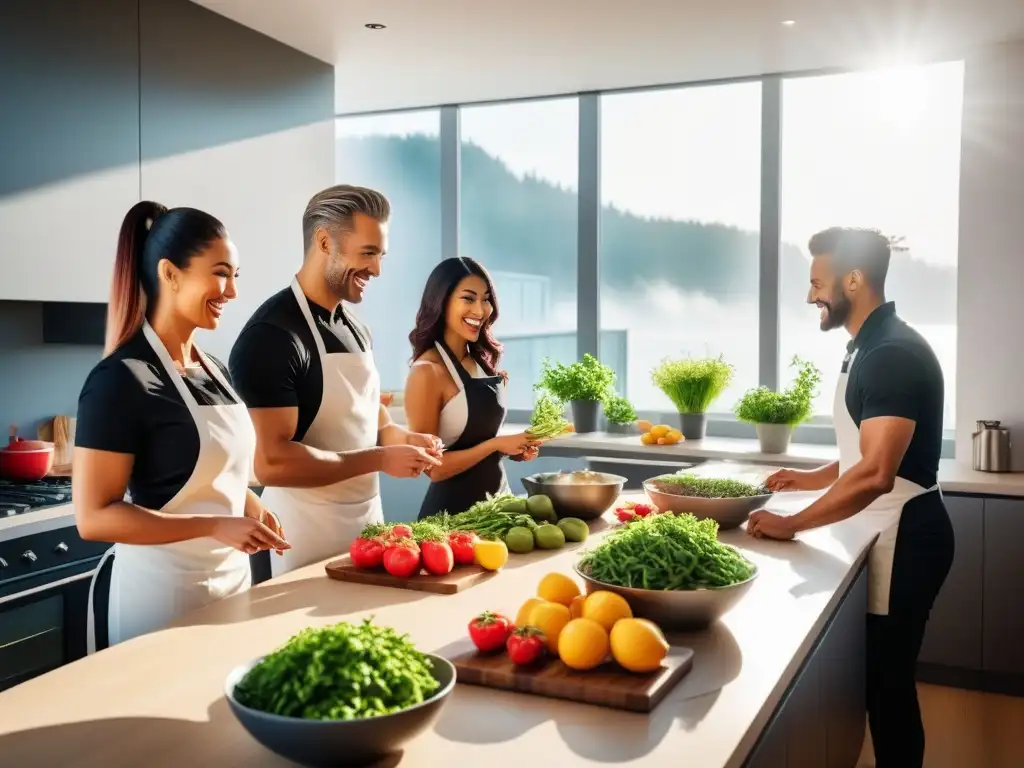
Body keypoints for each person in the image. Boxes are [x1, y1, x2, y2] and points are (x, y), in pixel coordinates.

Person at [747, 227, 954, 768]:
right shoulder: (867, 346)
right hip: (883, 527)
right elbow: (861, 452)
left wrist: (793, 525)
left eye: (818, 282)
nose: (810, 294)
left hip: (905, 535)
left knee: (889, 688)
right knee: (878, 683)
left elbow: (877, 473)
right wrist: (808, 478)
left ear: (854, 280)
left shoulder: (891, 354)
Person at [74, 201, 289, 652]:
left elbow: (209, 469)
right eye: (220, 272)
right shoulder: (121, 379)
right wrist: (214, 525)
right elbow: (94, 517)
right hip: (160, 597)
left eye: (235, 275)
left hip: (232, 584)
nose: (231, 291)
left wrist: (249, 506)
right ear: (170, 274)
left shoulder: (213, 369)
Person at [229, 184, 443, 576]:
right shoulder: (273, 335)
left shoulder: (357, 329)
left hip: (367, 527)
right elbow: (273, 461)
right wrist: (381, 458)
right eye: (367, 253)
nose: (377, 269)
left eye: (380, 255)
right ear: (324, 242)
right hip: (301, 536)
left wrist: (405, 441)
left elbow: (373, 424)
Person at [404, 257, 541, 520]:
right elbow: (433, 467)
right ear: (441, 302)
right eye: (468, 298)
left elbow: (480, 439)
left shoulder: (481, 362)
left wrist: (512, 449)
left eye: (486, 299)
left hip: (499, 509)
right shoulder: (427, 372)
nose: (480, 310)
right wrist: (496, 444)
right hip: (451, 521)